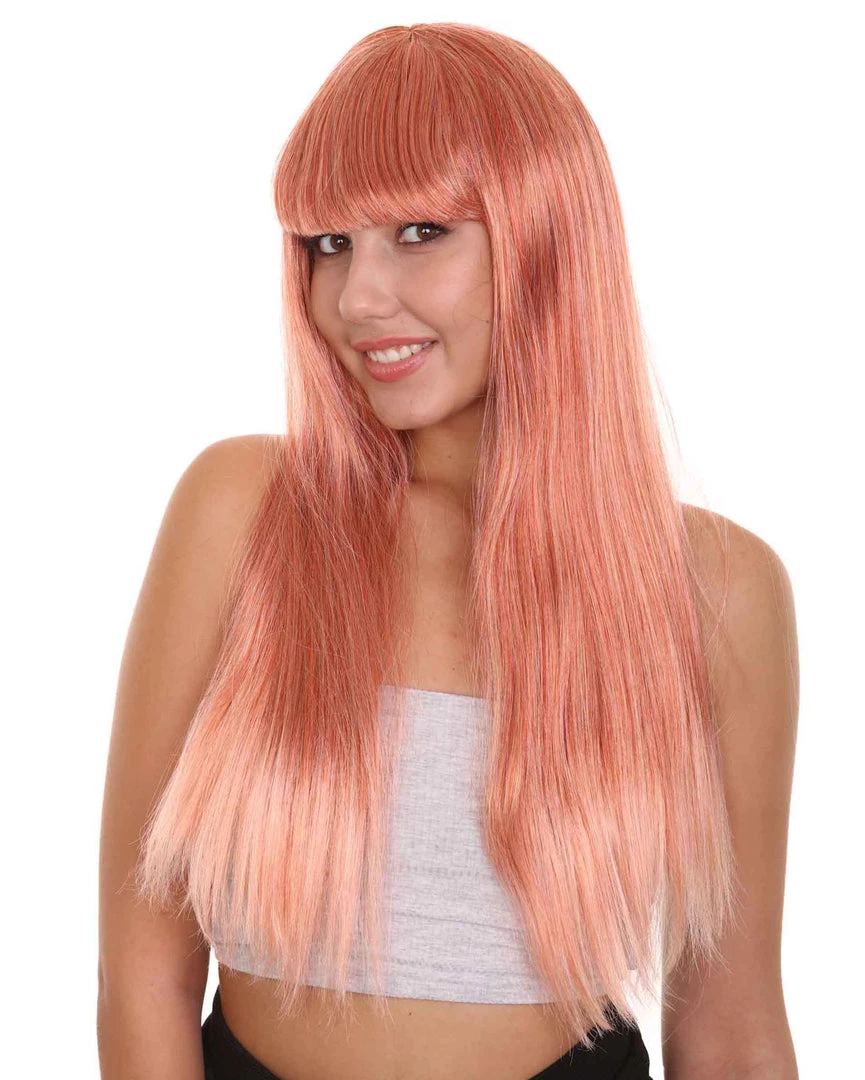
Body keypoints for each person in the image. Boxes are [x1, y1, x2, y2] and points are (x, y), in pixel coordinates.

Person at [97, 22, 799, 1080]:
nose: (356, 297)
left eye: (419, 231)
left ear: (547, 237)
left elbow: (731, 1028)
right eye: (327, 244)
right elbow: (139, 970)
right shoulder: (246, 513)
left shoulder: (715, 590)